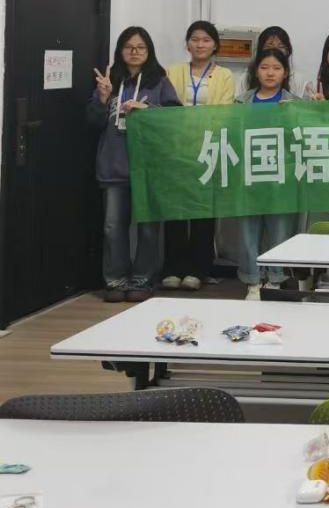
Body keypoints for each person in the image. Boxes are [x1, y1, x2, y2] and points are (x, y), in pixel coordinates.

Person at [88, 27, 182, 303]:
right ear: (120, 51)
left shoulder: (159, 82)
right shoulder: (110, 81)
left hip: (149, 168)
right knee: (112, 227)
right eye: (129, 46)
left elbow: (175, 119)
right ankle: (115, 280)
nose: (134, 51)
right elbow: (93, 122)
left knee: (148, 229)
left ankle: (143, 280)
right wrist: (102, 98)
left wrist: (148, 110)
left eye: (141, 47)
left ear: (149, 51)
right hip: (114, 165)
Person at [161, 21, 237, 292]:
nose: (200, 44)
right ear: (187, 44)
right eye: (194, 39)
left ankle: (198, 269)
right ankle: (173, 268)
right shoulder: (172, 71)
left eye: (206, 40)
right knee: (175, 211)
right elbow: (166, 108)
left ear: (215, 45)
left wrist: (196, 127)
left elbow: (223, 112)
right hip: (177, 150)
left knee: (203, 211)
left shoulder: (225, 75)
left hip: (207, 149)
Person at [234, 48, 301, 299]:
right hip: (249, 173)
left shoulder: (295, 103)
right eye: (264, 67)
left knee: (279, 230)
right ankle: (253, 281)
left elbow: (303, 139)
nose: (270, 73)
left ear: (285, 73)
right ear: (256, 72)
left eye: (276, 68)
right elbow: (232, 135)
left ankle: (275, 280)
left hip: (282, 175)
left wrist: (293, 116)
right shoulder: (241, 101)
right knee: (248, 231)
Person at [236, 25, 305, 97]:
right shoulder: (246, 77)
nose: (275, 51)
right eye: (269, 46)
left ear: (288, 51)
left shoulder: (297, 79)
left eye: (281, 47)